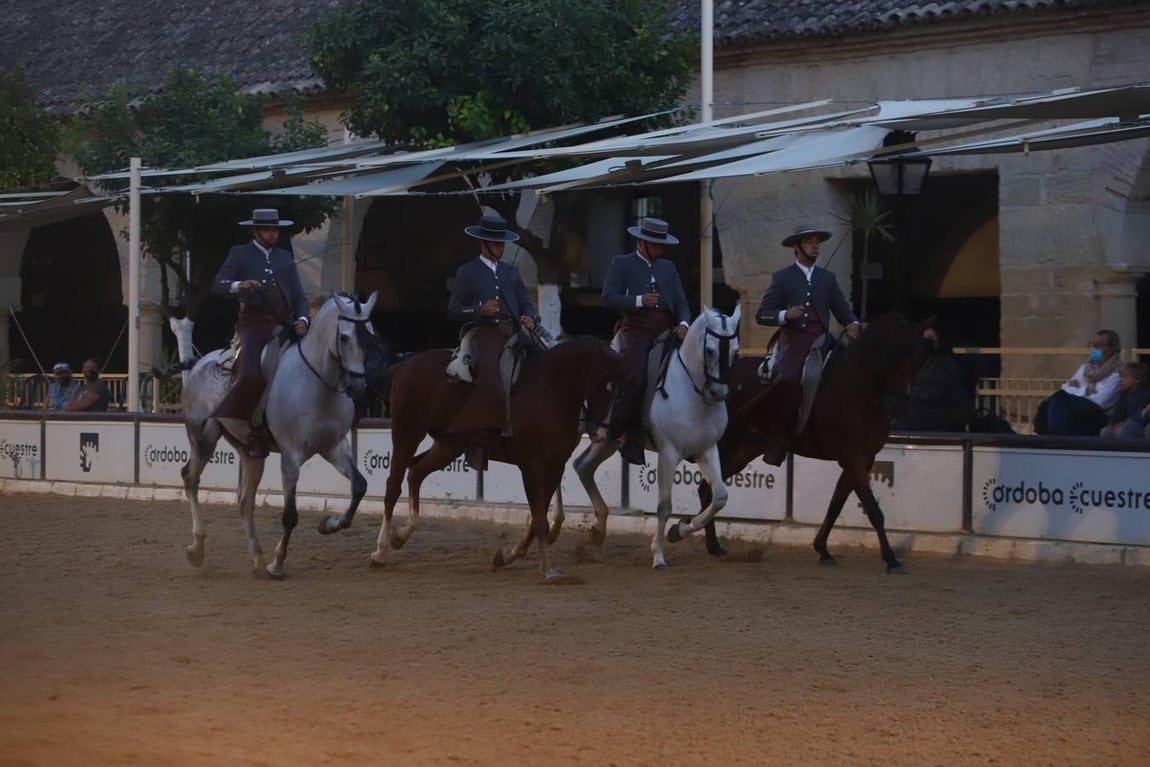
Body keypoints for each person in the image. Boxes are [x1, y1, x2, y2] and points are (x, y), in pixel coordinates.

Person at [754, 222, 861, 463]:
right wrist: (784, 315)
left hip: (822, 340)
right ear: (796, 247)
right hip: (794, 340)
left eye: (817, 243)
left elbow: (843, 311)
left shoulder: (828, 278)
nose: (815, 246)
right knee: (788, 378)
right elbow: (762, 314)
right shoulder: (782, 278)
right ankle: (778, 438)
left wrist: (853, 324)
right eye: (809, 242)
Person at [211, 208, 310, 458]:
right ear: (255, 231)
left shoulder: (285, 257)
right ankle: (254, 428)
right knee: (252, 373)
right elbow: (218, 286)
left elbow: (298, 295)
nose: (272, 234)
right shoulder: (239, 254)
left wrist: (303, 318)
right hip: (253, 326)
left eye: (275, 229)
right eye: (267, 229)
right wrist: (239, 285)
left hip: (284, 324)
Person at [447, 212, 540, 471]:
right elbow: (453, 310)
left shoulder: (511, 272)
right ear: (482, 243)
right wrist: (479, 311)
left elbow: (526, 304)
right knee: (490, 376)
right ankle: (478, 442)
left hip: (514, 333)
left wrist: (531, 317)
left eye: (502, 242)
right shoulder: (467, 272)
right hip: (484, 335)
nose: (500, 247)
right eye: (495, 242)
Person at [596, 216, 691, 465]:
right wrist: (638, 301)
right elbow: (607, 298)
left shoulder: (668, 267)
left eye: (661, 245)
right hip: (636, 330)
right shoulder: (622, 263)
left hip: (668, 331)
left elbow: (681, 301)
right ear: (641, 242)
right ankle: (629, 433)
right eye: (655, 244)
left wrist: (683, 323)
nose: (659, 250)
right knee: (636, 375)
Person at [1034, 330, 1122, 436]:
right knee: (1051, 401)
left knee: (1060, 398)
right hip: (1079, 408)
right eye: (1092, 345)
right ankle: (1045, 436)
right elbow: (1066, 387)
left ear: (1111, 349)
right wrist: (1087, 391)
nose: (1094, 349)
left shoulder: (1117, 373)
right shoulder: (1087, 367)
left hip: (1099, 413)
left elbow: (1102, 401)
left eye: (1098, 346)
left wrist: (1077, 390)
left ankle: (1056, 437)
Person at [1099, 362, 1150, 439]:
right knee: (1104, 432)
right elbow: (1118, 412)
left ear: (1137, 380)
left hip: (1137, 424)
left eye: (1125, 377)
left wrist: (1122, 424)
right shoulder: (1124, 394)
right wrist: (1111, 425)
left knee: (1123, 432)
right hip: (1122, 423)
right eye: (1120, 377)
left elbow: (1140, 416)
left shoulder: (1144, 395)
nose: (1121, 380)